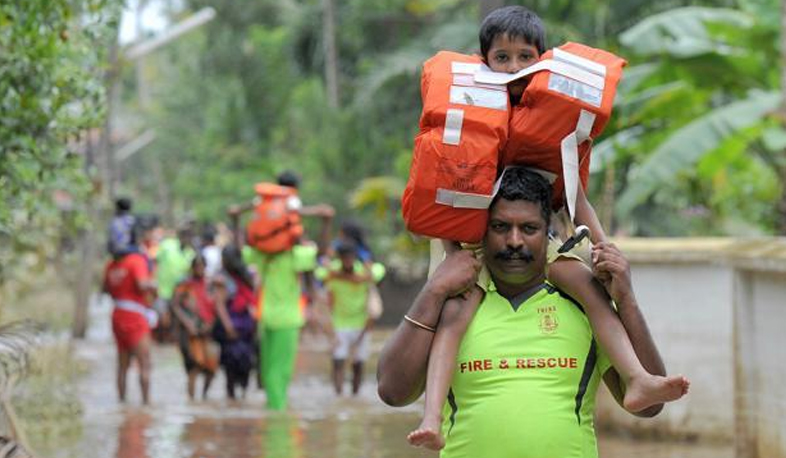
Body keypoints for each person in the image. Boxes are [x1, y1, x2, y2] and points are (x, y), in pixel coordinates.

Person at [411, 6, 688, 449]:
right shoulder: (472, 112)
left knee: (588, 288)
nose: (514, 67)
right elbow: (448, 199)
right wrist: (449, 263)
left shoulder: (553, 120)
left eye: (525, 57)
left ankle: (637, 377)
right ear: (484, 62)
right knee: (456, 313)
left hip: (546, 240)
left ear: (543, 60)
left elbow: (577, 199)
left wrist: (602, 245)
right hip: (472, 245)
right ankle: (430, 419)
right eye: (502, 58)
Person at [378, 168, 689, 456]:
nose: (514, 241)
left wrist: (627, 299)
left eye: (529, 228)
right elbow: (392, 392)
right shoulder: (454, 301)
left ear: (548, 231)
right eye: (500, 227)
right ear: (480, 231)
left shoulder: (582, 299)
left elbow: (648, 409)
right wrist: (433, 291)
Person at [229, 170, 335, 410]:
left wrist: (235, 220)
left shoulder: (262, 256)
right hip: (286, 320)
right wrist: (326, 222)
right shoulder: (294, 257)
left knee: (269, 372)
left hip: (265, 318)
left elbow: (238, 250)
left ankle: (273, 414)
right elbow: (321, 252)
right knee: (280, 373)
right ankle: (278, 422)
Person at [315, 240, 385, 396]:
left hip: (362, 323)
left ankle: (355, 395)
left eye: (351, 257)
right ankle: (338, 394)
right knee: (338, 360)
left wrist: (361, 276)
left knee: (358, 363)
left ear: (355, 258)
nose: (348, 261)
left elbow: (380, 271)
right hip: (339, 323)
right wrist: (339, 274)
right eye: (344, 258)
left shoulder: (364, 270)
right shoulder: (332, 270)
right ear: (339, 259)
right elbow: (318, 272)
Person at [103, 223, 157, 404]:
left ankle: (121, 402)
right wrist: (154, 286)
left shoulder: (111, 264)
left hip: (117, 314)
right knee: (144, 363)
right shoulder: (136, 260)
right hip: (135, 315)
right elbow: (142, 285)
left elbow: (105, 289)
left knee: (122, 364)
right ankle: (146, 403)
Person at [211, 245, 258, 399]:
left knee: (246, 362)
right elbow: (219, 304)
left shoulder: (246, 276)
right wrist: (228, 326)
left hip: (246, 325)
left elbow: (252, 299)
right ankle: (232, 398)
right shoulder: (221, 279)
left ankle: (242, 397)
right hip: (231, 324)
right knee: (231, 364)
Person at [170, 255, 219, 401]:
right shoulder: (184, 285)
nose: (199, 269)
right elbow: (175, 305)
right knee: (194, 367)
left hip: (207, 330)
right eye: (197, 266)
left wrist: (211, 324)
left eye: (202, 266)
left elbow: (217, 306)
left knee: (211, 368)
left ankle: (203, 397)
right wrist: (187, 323)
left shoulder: (210, 284)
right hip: (190, 332)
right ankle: (192, 401)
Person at [155, 224, 196, 340]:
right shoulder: (167, 245)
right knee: (163, 319)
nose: (186, 239)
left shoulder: (190, 253)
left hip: (180, 293)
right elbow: (156, 260)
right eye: (185, 236)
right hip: (164, 290)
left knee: (176, 318)